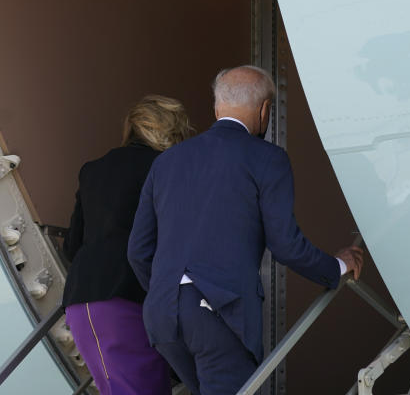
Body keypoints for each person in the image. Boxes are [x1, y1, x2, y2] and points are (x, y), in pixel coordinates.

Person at [127, 66, 364, 395]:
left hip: (163, 314)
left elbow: (138, 250)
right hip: (218, 313)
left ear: (216, 107)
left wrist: (168, 289)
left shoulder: (167, 161)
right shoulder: (268, 158)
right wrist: (336, 266)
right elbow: (285, 244)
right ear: (266, 110)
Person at [63, 94, 194, 395]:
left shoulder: (93, 170)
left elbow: (72, 245)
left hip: (90, 299)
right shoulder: (168, 167)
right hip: (139, 299)